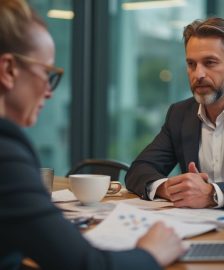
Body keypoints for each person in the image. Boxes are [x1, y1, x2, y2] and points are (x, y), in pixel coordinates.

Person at [0, 1, 184, 269]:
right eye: (47, 73)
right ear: (8, 71)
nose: (49, 91)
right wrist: (151, 253)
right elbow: (86, 265)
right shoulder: (6, 152)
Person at [125, 17, 224, 211]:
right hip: (192, 228)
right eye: (191, 64)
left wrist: (212, 194)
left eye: (209, 63)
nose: (198, 74)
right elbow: (139, 170)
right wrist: (167, 188)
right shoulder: (179, 113)